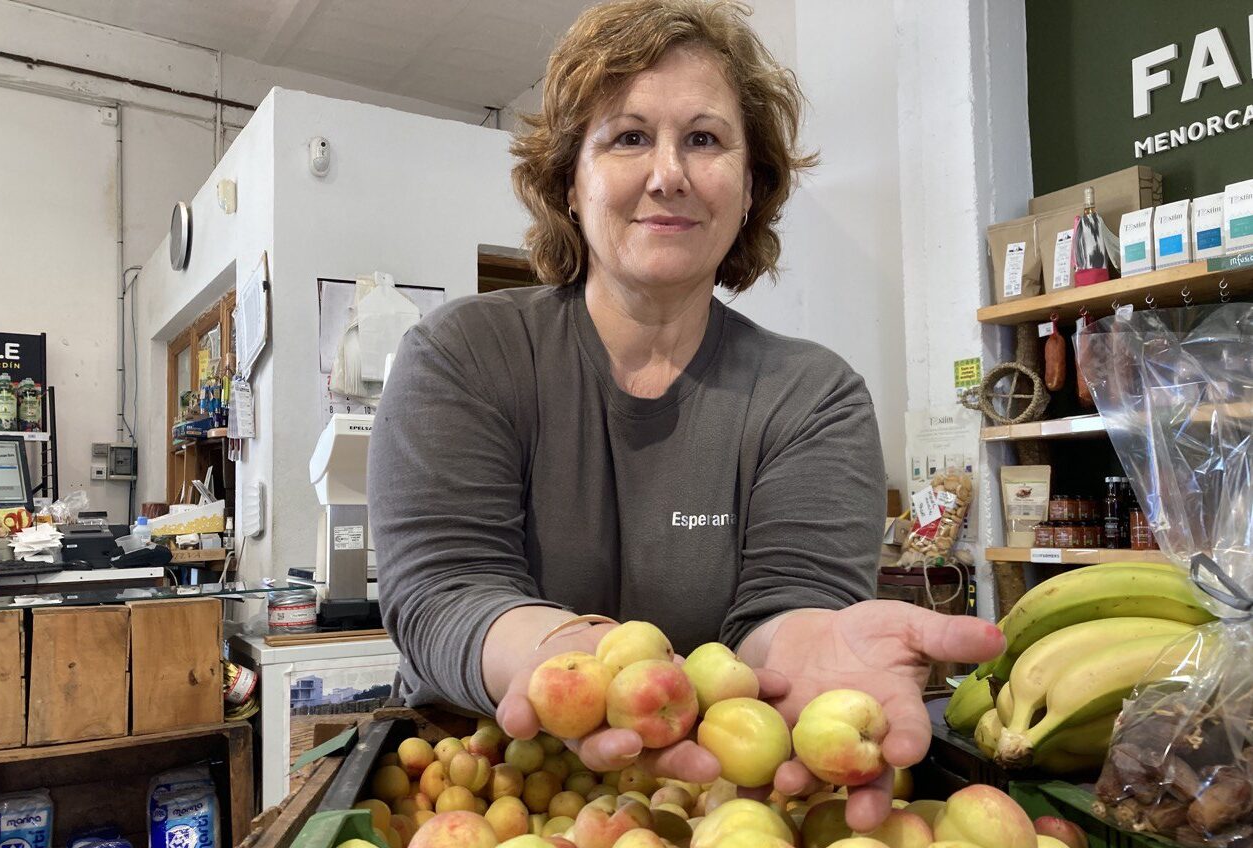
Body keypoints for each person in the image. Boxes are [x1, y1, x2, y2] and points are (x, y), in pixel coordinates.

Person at [369, 0, 1003, 831]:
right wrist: (564, 665)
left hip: (725, 801)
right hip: (478, 785)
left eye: (703, 139)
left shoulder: (813, 396)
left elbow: (785, 608)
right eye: (627, 137)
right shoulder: (462, 354)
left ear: (750, 187)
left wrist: (809, 637)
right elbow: (445, 589)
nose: (667, 173)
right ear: (571, 179)